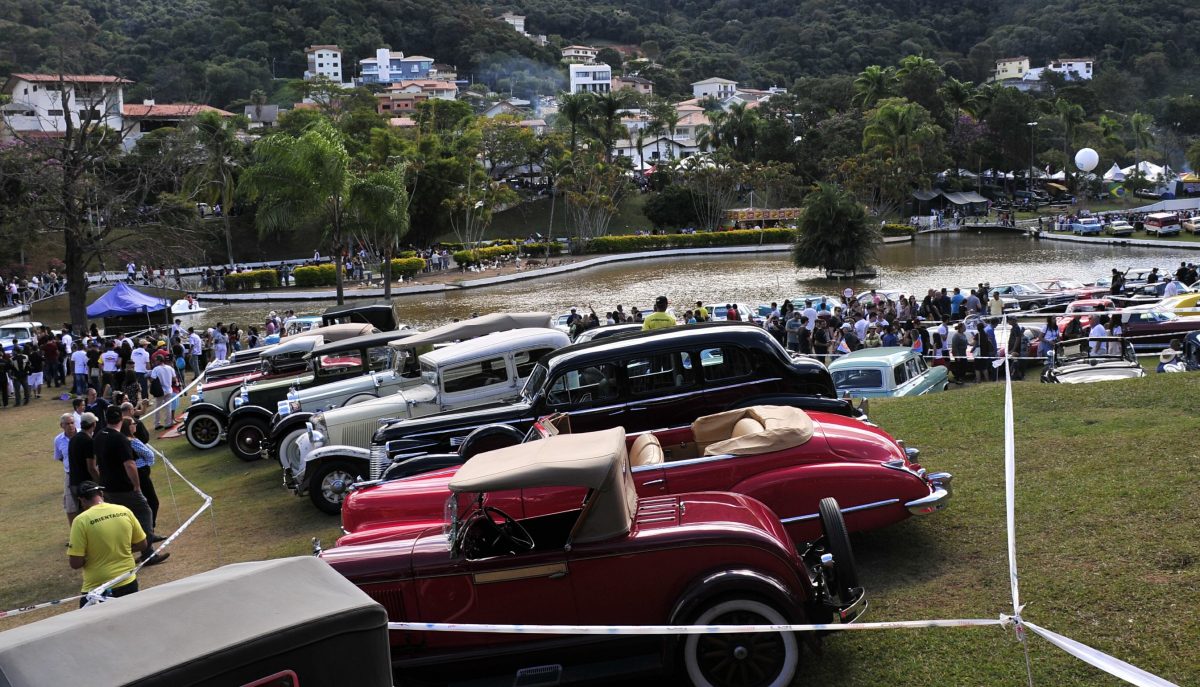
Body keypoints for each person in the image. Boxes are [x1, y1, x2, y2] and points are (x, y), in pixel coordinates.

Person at [93, 406, 167, 566]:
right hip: (123, 486)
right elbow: (130, 465)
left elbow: (95, 462)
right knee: (145, 511)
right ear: (121, 419)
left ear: (107, 419)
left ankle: (127, 553)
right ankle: (145, 551)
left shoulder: (99, 435)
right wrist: (136, 485)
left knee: (120, 520)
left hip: (106, 486)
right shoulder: (121, 439)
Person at [67, 481, 147, 606]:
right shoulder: (124, 511)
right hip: (128, 581)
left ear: (81, 499)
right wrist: (120, 550)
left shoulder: (80, 521)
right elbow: (142, 544)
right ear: (101, 493)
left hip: (97, 589)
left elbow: (75, 563)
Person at [122, 417, 161, 533]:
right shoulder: (132, 441)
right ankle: (149, 529)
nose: (135, 425)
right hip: (140, 474)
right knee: (152, 501)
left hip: (133, 473)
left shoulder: (124, 440)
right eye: (133, 424)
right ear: (128, 427)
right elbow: (149, 455)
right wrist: (145, 464)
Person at [54, 413, 79, 524]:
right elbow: (60, 457)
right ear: (62, 425)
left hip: (86, 473)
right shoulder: (58, 440)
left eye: (72, 423)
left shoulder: (83, 435)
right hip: (70, 475)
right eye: (67, 424)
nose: (70, 426)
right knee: (70, 507)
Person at [149, 357, 178, 429]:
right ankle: (168, 423)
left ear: (159, 361)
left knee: (157, 408)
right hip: (169, 389)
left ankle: (157, 424)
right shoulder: (170, 368)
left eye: (156, 360)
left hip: (160, 390)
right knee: (168, 407)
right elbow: (174, 378)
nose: (155, 362)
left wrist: (148, 376)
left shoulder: (156, 369)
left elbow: (152, 379)